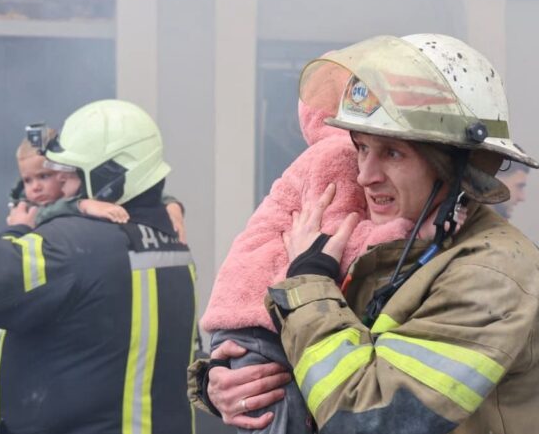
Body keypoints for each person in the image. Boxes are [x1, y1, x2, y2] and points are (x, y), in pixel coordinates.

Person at [196, 34, 539, 434]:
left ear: (455, 163)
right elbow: (322, 357)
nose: (364, 175)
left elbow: (368, 420)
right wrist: (226, 383)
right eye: (361, 148)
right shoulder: (392, 246)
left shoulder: (492, 273)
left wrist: (306, 284)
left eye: (392, 153)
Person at [0, 99, 197, 434]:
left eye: (71, 177)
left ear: (108, 177)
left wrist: (16, 229)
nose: (61, 188)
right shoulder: (171, 238)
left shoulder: (73, 244)